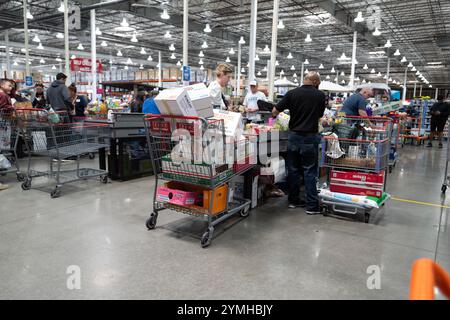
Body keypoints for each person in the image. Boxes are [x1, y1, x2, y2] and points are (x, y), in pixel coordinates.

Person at [272, 72, 326, 214]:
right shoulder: (320, 95)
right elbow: (320, 115)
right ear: (315, 81)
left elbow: (275, 111)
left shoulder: (292, 93)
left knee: (293, 170)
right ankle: (312, 207)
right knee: (309, 171)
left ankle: (293, 200)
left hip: (293, 137)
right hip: (309, 137)